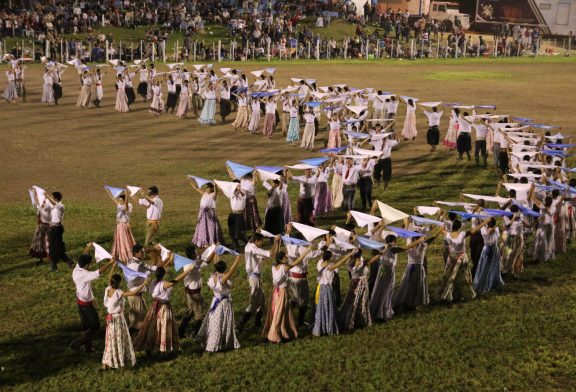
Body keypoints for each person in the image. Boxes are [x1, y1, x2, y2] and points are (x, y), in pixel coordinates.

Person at [133, 264, 189, 354]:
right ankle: (163, 348)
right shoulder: (163, 284)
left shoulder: (153, 283)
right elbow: (177, 279)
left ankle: (150, 345)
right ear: (164, 274)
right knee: (163, 326)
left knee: (152, 326)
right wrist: (187, 271)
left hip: (154, 306)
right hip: (163, 307)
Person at [70, 244, 114, 353]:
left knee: (88, 327)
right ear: (85, 265)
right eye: (89, 264)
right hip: (86, 304)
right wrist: (110, 262)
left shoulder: (77, 268)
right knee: (95, 326)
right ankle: (79, 342)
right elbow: (97, 272)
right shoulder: (84, 275)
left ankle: (88, 348)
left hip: (80, 302)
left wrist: (89, 248)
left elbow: (82, 256)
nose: (90, 266)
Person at [262, 247, 312, 343]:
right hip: (281, 292)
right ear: (281, 259)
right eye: (285, 257)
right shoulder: (284, 267)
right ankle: (273, 335)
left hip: (275, 292)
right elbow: (297, 261)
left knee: (284, 312)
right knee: (279, 313)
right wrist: (307, 250)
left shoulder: (274, 266)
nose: (287, 258)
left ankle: (284, 332)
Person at [102, 272, 148, 369]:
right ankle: (121, 360)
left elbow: (109, 279)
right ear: (118, 283)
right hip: (118, 319)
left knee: (110, 340)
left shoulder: (108, 289)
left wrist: (113, 267)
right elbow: (132, 293)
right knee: (120, 339)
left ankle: (107, 362)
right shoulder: (118, 292)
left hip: (110, 319)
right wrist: (144, 284)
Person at [436, 218, 490, 303]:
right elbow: (475, 229)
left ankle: (451, 293)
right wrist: (485, 222)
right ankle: (461, 293)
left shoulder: (447, 234)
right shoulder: (462, 234)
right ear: (459, 227)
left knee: (450, 275)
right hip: (461, 257)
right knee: (464, 276)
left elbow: (441, 229)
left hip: (452, 257)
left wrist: (441, 224)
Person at [197, 255, 242, 352]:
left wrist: (216, 251)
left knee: (214, 322)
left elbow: (216, 263)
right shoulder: (222, 279)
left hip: (215, 301)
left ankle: (210, 342)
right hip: (223, 304)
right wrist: (236, 261)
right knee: (221, 323)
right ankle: (217, 344)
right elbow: (230, 272)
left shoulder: (213, 276)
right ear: (224, 268)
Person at [237, 233, 280, 332]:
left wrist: (257, 231)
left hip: (254, 277)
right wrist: (276, 241)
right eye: (261, 241)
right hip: (254, 279)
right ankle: (240, 324)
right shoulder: (255, 249)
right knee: (253, 304)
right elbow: (271, 253)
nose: (262, 243)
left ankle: (257, 324)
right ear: (256, 241)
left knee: (262, 303)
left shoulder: (248, 245)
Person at [394, 229, 441, 310]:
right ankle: (407, 302)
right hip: (411, 267)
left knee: (417, 286)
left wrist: (439, 231)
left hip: (418, 268)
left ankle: (414, 303)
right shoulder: (411, 244)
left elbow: (432, 239)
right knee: (408, 285)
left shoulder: (421, 244)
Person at [312, 249, 355, 336]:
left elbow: (335, 262)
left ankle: (321, 326)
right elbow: (339, 263)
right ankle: (329, 327)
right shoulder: (330, 266)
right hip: (327, 289)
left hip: (320, 288)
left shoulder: (319, 263)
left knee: (322, 307)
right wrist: (348, 255)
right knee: (329, 306)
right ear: (330, 257)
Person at [339, 249, 378, 331]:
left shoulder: (351, 263)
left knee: (353, 301)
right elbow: (373, 259)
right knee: (361, 301)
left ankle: (351, 319)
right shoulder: (362, 263)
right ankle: (359, 320)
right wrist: (381, 253)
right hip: (360, 284)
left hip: (355, 283)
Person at [178, 245, 210, 339]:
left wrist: (207, 248)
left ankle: (181, 331)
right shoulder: (193, 265)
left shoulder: (187, 261)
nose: (197, 253)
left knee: (190, 311)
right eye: (195, 252)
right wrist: (212, 249)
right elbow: (207, 260)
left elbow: (200, 257)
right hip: (195, 293)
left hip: (189, 291)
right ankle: (195, 333)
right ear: (192, 254)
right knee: (199, 314)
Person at [125, 244, 158, 332]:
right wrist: (166, 260)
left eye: (144, 252)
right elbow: (152, 269)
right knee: (140, 321)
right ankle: (136, 339)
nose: (144, 253)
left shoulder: (131, 261)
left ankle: (133, 337)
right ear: (135, 253)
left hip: (133, 294)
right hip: (135, 295)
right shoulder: (138, 266)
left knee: (136, 319)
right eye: (141, 252)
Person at [369, 235, 401, 321]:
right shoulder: (385, 248)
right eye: (394, 241)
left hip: (389, 270)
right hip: (385, 270)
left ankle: (386, 309)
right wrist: (386, 247)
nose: (395, 243)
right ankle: (380, 312)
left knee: (388, 289)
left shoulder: (392, 248)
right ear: (390, 242)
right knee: (383, 289)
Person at [473, 218, 504, 294]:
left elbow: (490, 231)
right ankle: (483, 283)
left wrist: (485, 223)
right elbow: (489, 232)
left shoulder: (493, 229)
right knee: (485, 266)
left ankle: (493, 282)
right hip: (487, 249)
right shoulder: (486, 229)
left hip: (493, 249)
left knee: (493, 266)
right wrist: (487, 224)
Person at [45, 191, 74, 271]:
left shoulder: (60, 205)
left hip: (56, 229)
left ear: (55, 198)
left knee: (53, 247)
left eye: (52, 197)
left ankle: (54, 266)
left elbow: (53, 203)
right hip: (52, 228)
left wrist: (47, 196)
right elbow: (42, 204)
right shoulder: (53, 205)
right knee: (57, 247)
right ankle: (68, 261)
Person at [190, 181, 223, 248]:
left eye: (208, 187)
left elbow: (216, 192)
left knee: (210, 228)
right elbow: (196, 188)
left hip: (210, 214)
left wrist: (215, 185)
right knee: (203, 227)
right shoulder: (204, 193)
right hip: (202, 214)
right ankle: (204, 241)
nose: (206, 188)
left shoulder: (213, 195)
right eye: (206, 187)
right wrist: (190, 181)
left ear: (211, 189)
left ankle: (211, 241)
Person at [106, 189, 135, 263]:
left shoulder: (128, 206)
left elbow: (126, 208)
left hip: (124, 225)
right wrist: (109, 192)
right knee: (119, 240)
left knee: (124, 241)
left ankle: (125, 255)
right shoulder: (120, 205)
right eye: (119, 200)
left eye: (121, 200)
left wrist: (127, 195)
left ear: (125, 200)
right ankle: (118, 254)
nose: (120, 202)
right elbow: (113, 199)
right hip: (119, 226)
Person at [29, 189, 51, 264]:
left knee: (43, 243)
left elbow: (37, 204)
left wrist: (35, 194)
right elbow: (37, 203)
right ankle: (45, 258)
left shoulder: (44, 208)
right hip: (44, 227)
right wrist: (35, 194)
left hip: (43, 227)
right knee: (43, 243)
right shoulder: (44, 207)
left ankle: (47, 258)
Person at [533, 195, 556, 263]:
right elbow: (535, 201)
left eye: (545, 201)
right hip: (542, 226)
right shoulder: (542, 207)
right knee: (540, 241)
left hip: (549, 227)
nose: (544, 201)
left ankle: (546, 256)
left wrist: (545, 207)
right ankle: (538, 257)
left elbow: (550, 212)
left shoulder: (552, 207)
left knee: (548, 241)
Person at [225, 181, 248, 250]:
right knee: (231, 232)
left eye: (238, 185)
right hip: (232, 214)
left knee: (239, 233)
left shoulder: (243, 192)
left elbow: (244, 195)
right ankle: (236, 245)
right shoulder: (231, 192)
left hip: (239, 215)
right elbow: (231, 195)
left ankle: (247, 243)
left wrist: (239, 189)